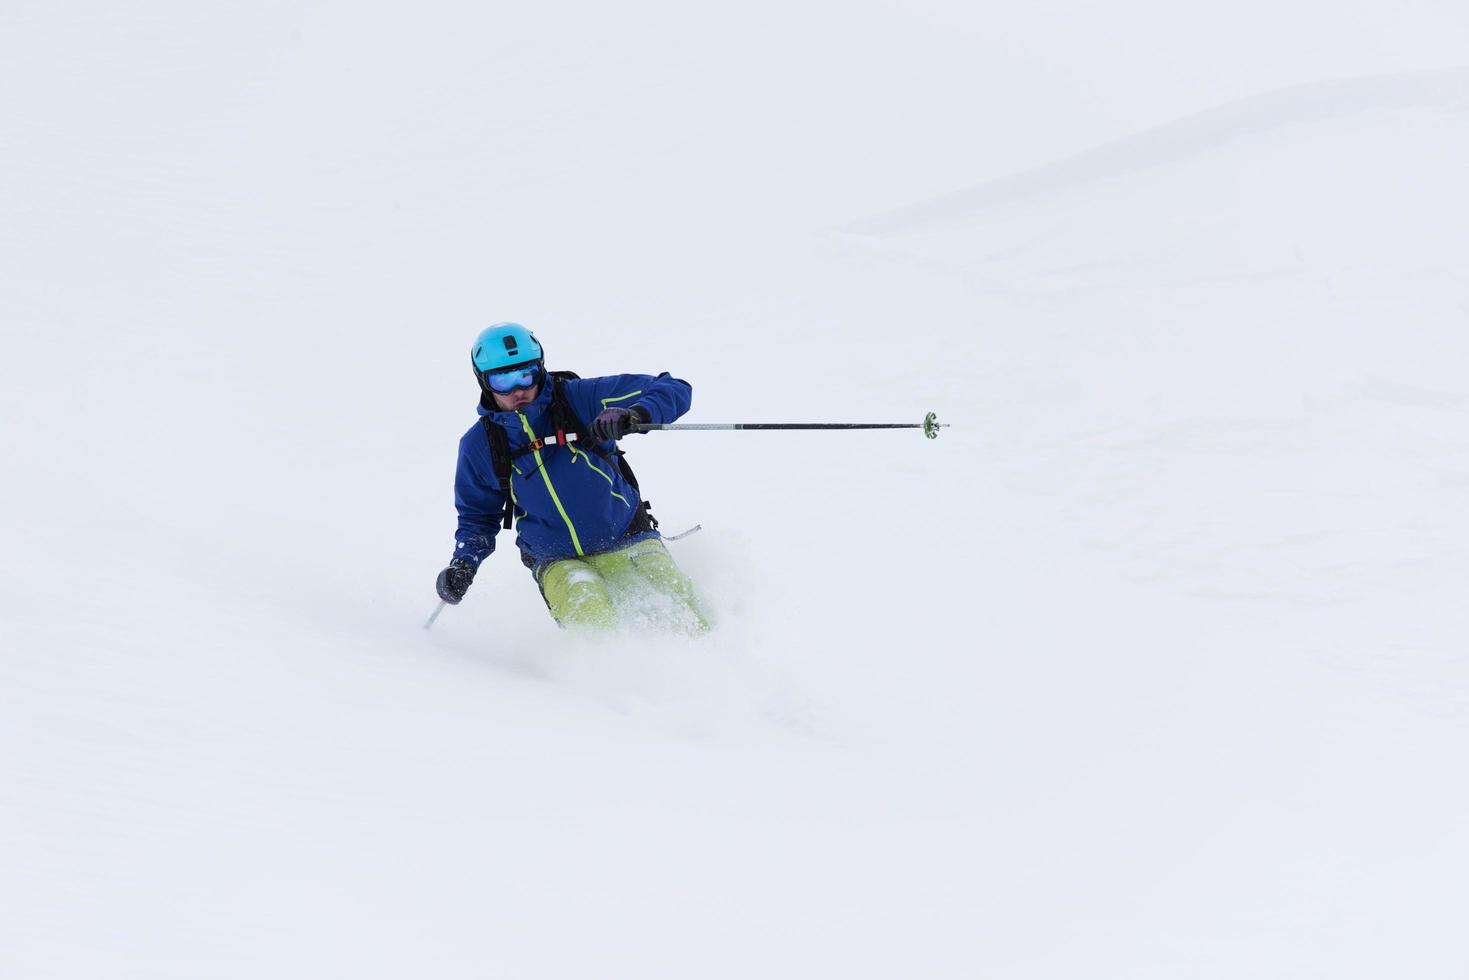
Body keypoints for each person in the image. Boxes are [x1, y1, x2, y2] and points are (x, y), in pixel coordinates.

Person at [435, 322, 708, 632]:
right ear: (484, 382)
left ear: (540, 368)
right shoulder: (481, 444)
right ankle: (610, 677)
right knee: (591, 617)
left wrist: (635, 414)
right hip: (557, 560)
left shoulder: (580, 399)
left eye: (526, 375)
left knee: (682, 610)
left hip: (627, 536)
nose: (518, 390)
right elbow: (476, 517)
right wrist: (464, 563)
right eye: (503, 380)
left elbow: (674, 388)